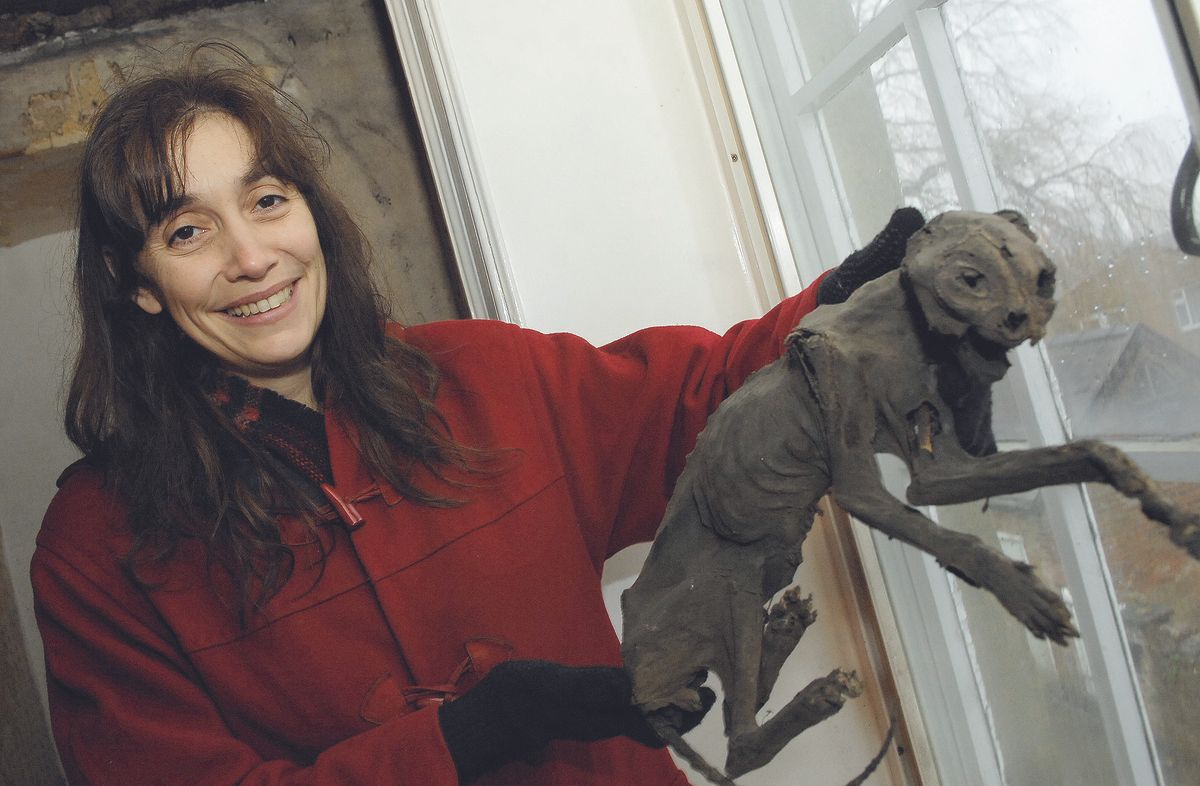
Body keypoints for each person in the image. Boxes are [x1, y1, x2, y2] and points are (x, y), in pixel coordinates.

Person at [31, 41, 923, 785]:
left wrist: (842, 313)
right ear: (135, 283)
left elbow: (699, 402)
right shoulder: (96, 549)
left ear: (310, 213)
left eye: (267, 201)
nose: (252, 255)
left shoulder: (483, 375)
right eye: (188, 231)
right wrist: (465, 737)